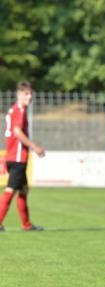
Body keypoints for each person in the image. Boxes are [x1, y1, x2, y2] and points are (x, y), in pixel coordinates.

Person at [0, 81, 45, 232]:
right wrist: (35, 147)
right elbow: (17, 132)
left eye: (31, 93)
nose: (30, 96)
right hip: (17, 158)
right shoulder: (19, 110)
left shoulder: (14, 110)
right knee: (10, 190)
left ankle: (27, 224)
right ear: (19, 94)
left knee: (23, 189)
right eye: (26, 93)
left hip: (14, 156)